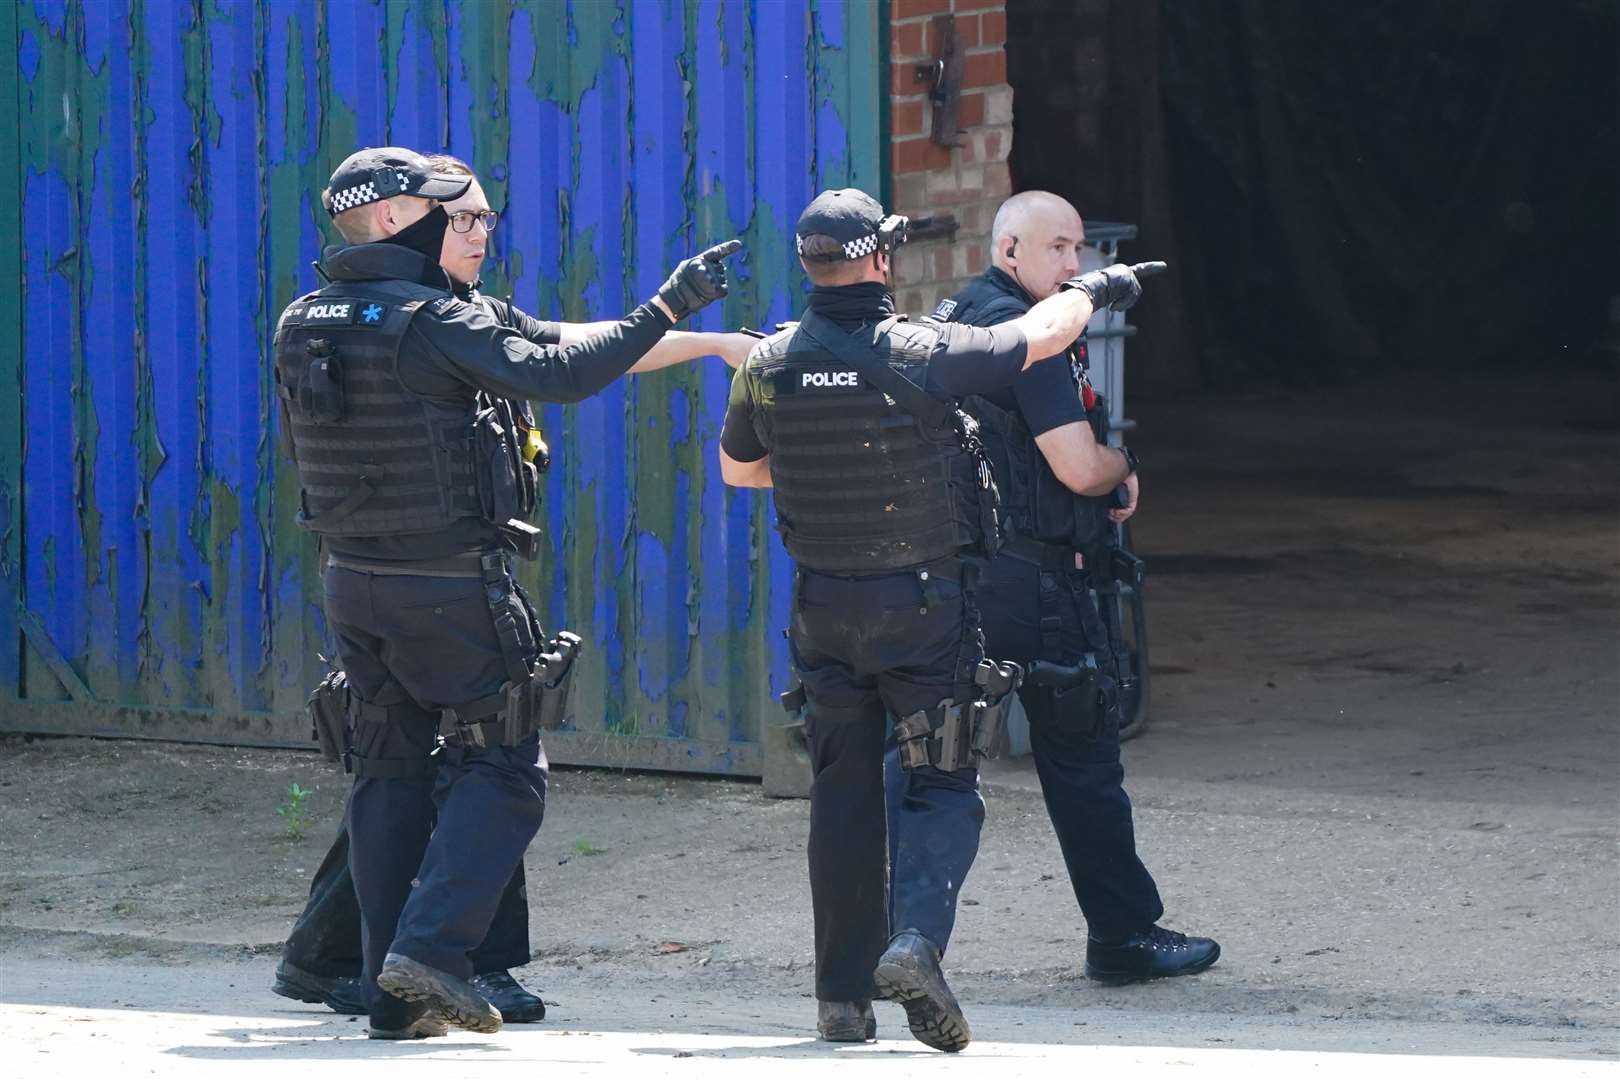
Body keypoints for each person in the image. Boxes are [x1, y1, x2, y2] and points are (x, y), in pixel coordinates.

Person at [271, 155, 754, 1024]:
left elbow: (561, 339)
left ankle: (393, 999)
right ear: (393, 220)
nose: (483, 232)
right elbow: (559, 376)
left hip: (354, 585)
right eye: (464, 219)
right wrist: (674, 303)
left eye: (487, 218)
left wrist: (710, 344)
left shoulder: (307, 318)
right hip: (449, 589)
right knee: (506, 769)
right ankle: (433, 950)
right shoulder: (430, 322)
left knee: (387, 777)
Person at [717, 188, 1156, 1052]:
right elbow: (1034, 338)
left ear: (807, 264)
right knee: (942, 781)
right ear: (879, 259)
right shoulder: (923, 350)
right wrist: (1097, 290)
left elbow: (741, 473)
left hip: (823, 613)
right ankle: (916, 942)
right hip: (923, 608)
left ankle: (841, 1004)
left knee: (841, 802)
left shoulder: (764, 363)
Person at [933, 190, 1219, 983]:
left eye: (1079, 250)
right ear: (1009, 249)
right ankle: (1125, 938)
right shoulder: (1033, 338)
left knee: (932, 766)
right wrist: (1123, 466)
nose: (1074, 266)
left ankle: (891, 946)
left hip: (960, 582)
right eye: (1057, 249)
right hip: (1035, 586)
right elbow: (1078, 465)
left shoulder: (957, 316)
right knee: (1084, 765)